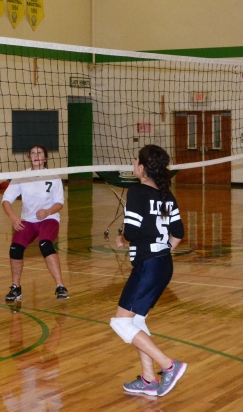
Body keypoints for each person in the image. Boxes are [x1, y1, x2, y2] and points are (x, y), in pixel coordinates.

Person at [113, 144, 186, 397]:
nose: (133, 164)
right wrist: (162, 252)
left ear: (143, 168)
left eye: (136, 160)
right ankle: (147, 379)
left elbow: (132, 232)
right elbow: (178, 232)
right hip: (163, 264)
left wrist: (122, 239)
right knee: (136, 321)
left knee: (121, 323)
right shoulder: (165, 196)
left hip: (149, 266)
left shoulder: (137, 192)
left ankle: (169, 366)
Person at [1, 145, 69, 302]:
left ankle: (60, 286)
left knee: (45, 244)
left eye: (39, 153)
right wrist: (13, 218)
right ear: (29, 157)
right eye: (32, 153)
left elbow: (59, 203)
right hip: (29, 221)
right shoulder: (22, 176)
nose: (36, 155)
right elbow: (6, 200)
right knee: (15, 248)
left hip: (49, 219)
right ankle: (16, 288)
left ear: (45, 158)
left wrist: (48, 211)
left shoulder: (54, 177)